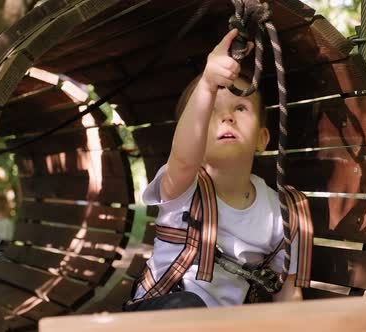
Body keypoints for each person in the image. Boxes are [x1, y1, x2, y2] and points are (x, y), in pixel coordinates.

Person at [125, 28, 302, 311]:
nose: (227, 117)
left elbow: (288, 297)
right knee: (187, 306)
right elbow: (183, 159)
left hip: (222, 325)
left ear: (262, 138)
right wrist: (207, 84)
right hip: (159, 314)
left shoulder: (280, 213)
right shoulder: (183, 187)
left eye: (241, 108)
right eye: (211, 111)